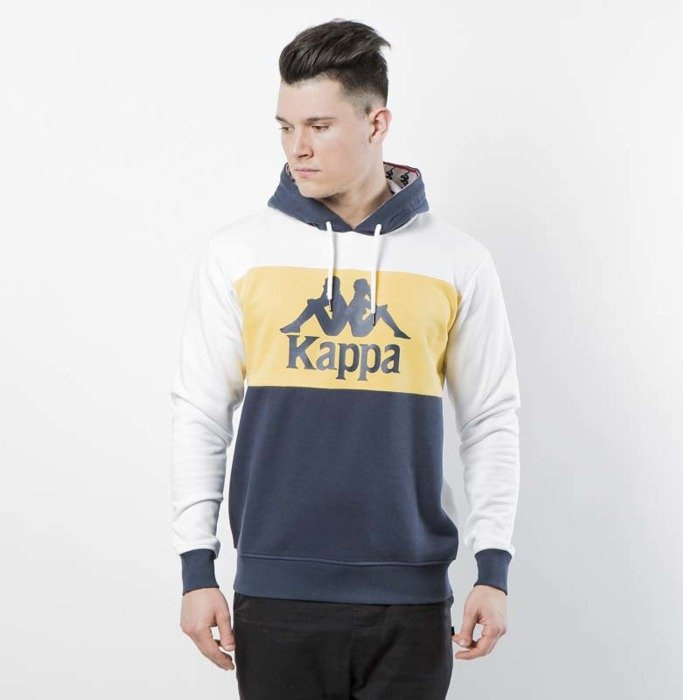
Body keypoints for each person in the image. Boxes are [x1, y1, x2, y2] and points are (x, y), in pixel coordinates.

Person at [170, 17, 521, 699]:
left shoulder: (457, 261)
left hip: (410, 600)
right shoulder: (239, 254)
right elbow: (200, 413)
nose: (296, 148)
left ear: (376, 123)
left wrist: (493, 569)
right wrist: (196, 569)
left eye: (319, 126)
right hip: (276, 593)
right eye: (285, 127)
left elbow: (490, 419)